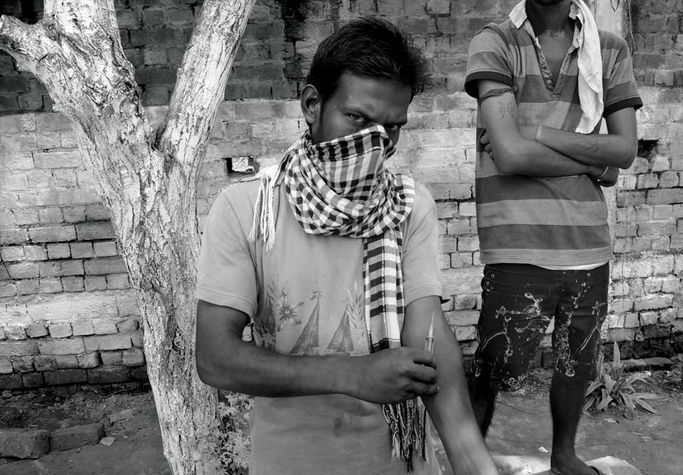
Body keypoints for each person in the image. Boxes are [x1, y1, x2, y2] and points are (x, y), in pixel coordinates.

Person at [195, 17, 497, 475]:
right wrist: (353, 375)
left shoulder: (408, 207)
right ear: (313, 105)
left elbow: (429, 342)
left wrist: (474, 464)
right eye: (357, 118)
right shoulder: (247, 209)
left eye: (391, 128)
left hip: (400, 461)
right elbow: (216, 358)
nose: (374, 144)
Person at [464, 1, 641, 474]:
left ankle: (564, 456)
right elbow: (510, 154)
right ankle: (469, 461)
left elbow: (625, 149)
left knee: (576, 360)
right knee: (493, 364)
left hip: (587, 243)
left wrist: (536, 131)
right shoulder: (496, 42)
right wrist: (594, 163)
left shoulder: (608, 49)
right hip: (518, 239)